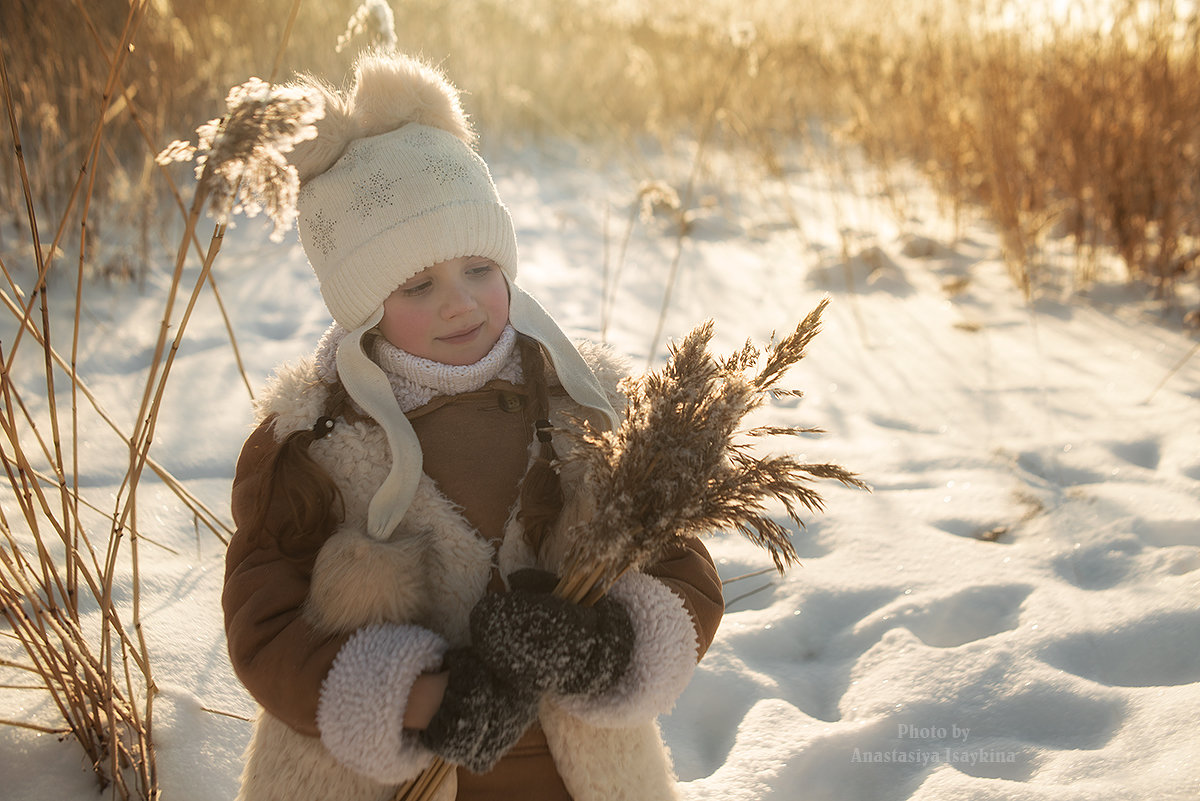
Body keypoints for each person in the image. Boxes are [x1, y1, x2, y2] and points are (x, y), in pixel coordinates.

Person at [222, 51, 723, 801]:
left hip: (576, 780)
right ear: (363, 304)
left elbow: (681, 564)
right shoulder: (311, 443)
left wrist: (608, 646)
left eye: (481, 270)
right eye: (419, 284)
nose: (461, 303)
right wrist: (413, 699)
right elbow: (264, 624)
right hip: (384, 782)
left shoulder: (586, 405)